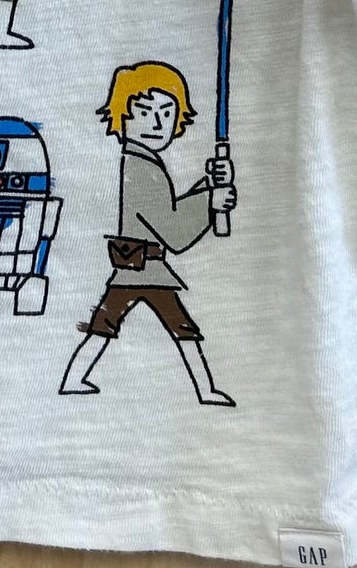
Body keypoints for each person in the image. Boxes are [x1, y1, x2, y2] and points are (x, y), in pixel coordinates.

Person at [60, 61, 236, 405]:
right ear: (122, 117)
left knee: (108, 325)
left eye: (167, 113)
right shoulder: (143, 169)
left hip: (139, 267)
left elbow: (166, 214)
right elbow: (173, 231)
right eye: (144, 112)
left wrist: (206, 186)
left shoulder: (143, 163)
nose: (157, 124)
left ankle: (73, 379)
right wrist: (210, 201)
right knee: (177, 328)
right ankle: (205, 391)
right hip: (144, 268)